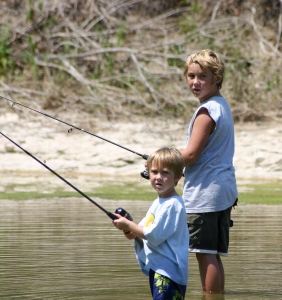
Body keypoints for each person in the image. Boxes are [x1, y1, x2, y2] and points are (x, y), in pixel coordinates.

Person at [180, 49, 238, 294]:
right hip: (222, 192)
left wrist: (159, 160)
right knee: (213, 254)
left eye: (202, 76)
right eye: (191, 76)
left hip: (205, 194)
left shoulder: (206, 112)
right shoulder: (220, 105)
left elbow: (191, 154)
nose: (195, 82)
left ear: (217, 78)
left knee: (204, 255)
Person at [113, 147, 188, 300]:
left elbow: (152, 234)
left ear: (178, 177)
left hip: (168, 273)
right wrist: (130, 231)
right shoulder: (159, 202)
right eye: (154, 172)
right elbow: (141, 231)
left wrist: (128, 225)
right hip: (158, 268)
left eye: (165, 172)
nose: (158, 177)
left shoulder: (172, 204)